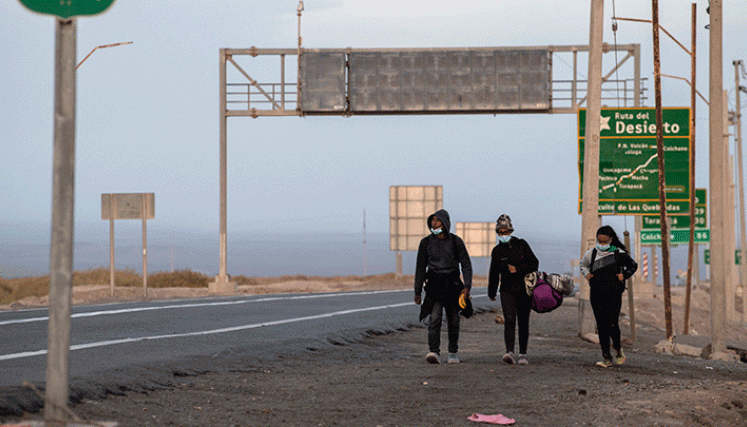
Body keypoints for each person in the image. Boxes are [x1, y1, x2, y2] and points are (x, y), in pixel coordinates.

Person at [414, 209, 473, 364]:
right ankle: (434, 352)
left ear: (445, 223)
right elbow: (420, 267)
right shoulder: (425, 243)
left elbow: (466, 265)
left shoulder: (456, 241)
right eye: (432, 220)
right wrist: (417, 290)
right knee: (435, 319)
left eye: (438, 220)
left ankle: (453, 353)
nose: (434, 223)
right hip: (434, 286)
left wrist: (467, 286)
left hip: (453, 286)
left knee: (454, 320)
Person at [579, 225, 638, 368]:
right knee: (601, 325)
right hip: (597, 294)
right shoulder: (591, 253)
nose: (602, 244)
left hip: (614, 294)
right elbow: (583, 265)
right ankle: (606, 357)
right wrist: (587, 275)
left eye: (604, 241)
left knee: (612, 324)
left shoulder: (619, 254)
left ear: (611, 240)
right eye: (599, 241)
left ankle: (618, 350)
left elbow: (633, 266)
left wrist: (624, 275)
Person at [487, 214, 539, 366]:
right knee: (509, 320)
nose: (503, 235)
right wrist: (491, 291)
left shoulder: (521, 245)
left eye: (506, 231)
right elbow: (493, 272)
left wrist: (518, 269)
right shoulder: (497, 251)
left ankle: (523, 354)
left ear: (511, 231)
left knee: (523, 322)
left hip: (524, 290)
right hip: (507, 290)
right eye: (500, 232)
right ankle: (509, 352)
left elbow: (534, 263)